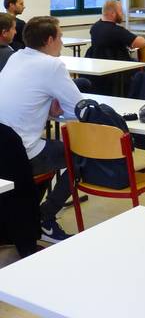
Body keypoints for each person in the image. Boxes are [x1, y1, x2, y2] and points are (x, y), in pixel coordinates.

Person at [0, 16, 84, 243]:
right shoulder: (52, 65)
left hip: (4, 146)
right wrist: (58, 111)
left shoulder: (17, 56)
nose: (62, 43)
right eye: (60, 37)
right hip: (21, 151)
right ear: (49, 40)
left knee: (52, 149)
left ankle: (31, 212)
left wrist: (49, 110)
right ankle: (45, 219)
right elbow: (79, 111)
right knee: (76, 157)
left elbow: (24, 101)